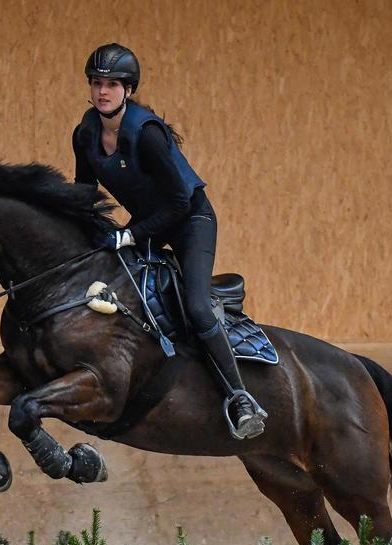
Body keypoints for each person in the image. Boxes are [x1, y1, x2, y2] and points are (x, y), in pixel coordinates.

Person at [72, 42, 268, 440]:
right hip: (149, 223)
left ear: (128, 89)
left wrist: (129, 234)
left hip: (190, 221)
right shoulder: (85, 134)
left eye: (112, 84)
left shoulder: (146, 134)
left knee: (195, 306)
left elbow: (179, 202)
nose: (102, 91)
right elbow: (83, 194)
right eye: (96, 83)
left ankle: (241, 398)